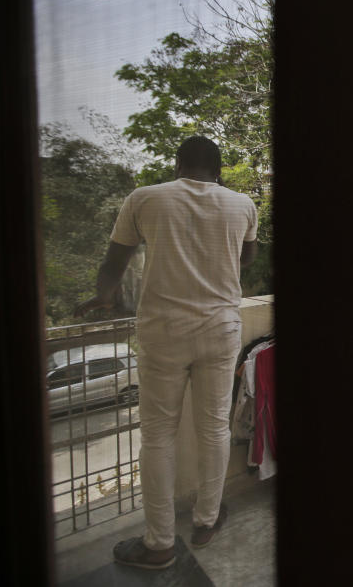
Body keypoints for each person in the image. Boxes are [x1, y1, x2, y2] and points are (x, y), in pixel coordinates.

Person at [76, 136, 258, 569]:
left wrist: (104, 298)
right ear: (219, 169)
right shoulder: (242, 203)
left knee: (157, 434)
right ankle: (207, 520)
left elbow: (114, 263)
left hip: (162, 331)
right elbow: (246, 259)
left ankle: (158, 543)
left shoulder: (145, 198)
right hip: (220, 327)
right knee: (213, 427)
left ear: (178, 164)